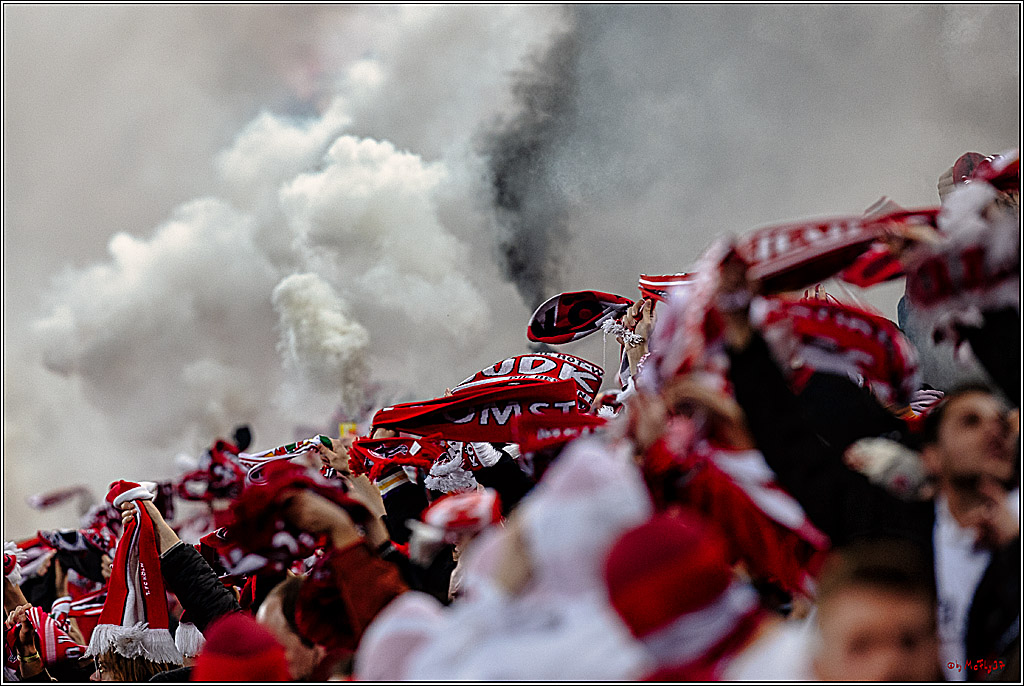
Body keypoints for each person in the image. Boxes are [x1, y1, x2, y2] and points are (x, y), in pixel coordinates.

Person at [718, 256, 1019, 681]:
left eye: (1001, 421)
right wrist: (742, 335)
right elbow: (793, 453)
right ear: (930, 455)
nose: (994, 431)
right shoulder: (896, 530)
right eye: (970, 421)